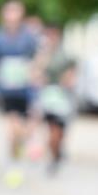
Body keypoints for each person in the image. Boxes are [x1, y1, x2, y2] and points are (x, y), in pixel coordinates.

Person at [0, 0, 40, 186]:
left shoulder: (29, 37)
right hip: (6, 89)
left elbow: (39, 58)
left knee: (25, 128)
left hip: (25, 90)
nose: (11, 16)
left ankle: (25, 145)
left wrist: (34, 71)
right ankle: (13, 164)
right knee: (12, 129)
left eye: (15, 12)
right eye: (8, 12)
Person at [36, 25, 77, 175]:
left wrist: (68, 78)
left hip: (63, 96)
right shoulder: (43, 54)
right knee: (51, 130)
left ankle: (58, 151)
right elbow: (37, 71)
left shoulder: (65, 55)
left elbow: (73, 71)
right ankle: (54, 156)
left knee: (60, 130)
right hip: (49, 96)